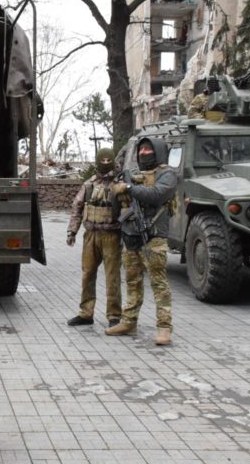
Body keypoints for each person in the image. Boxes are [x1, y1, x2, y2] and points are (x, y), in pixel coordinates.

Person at [106, 137, 178, 346]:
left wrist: (127, 188)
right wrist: (117, 191)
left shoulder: (167, 174)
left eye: (149, 149)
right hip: (131, 236)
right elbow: (116, 204)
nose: (144, 153)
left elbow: (156, 194)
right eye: (142, 149)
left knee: (159, 283)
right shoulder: (132, 175)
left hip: (154, 237)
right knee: (132, 281)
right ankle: (129, 321)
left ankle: (164, 327)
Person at [66, 147, 123, 328]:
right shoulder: (89, 184)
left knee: (112, 277)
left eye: (109, 161)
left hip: (112, 236)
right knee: (87, 274)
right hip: (90, 235)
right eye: (102, 161)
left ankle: (114, 315)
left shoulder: (120, 184)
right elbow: (77, 208)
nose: (105, 164)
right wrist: (72, 231)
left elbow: (129, 209)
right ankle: (86, 313)